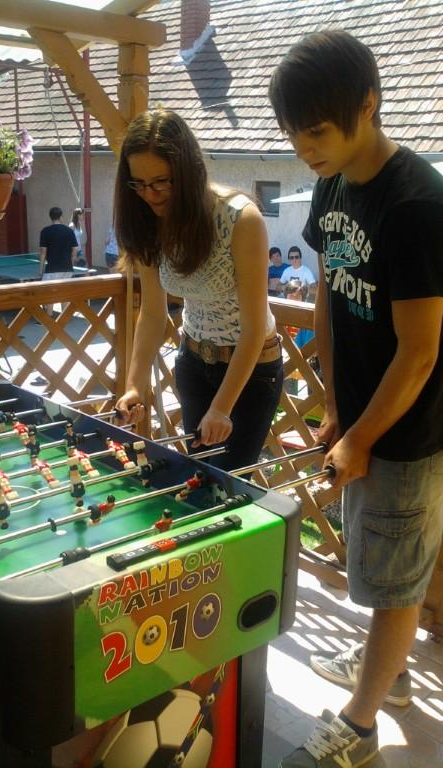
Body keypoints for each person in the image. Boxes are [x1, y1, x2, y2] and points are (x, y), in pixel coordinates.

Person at [269, 29, 443, 768]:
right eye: (293, 133)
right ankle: (390, 674)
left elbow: (421, 351)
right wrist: (336, 406)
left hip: (408, 431)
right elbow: (329, 298)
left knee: (396, 582)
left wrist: (364, 436)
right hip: (362, 417)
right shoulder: (334, 181)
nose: (303, 149)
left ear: (367, 105)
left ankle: (362, 725)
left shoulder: (417, 203)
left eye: (315, 131)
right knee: (376, 559)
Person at [113, 108, 283, 472]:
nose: (149, 195)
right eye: (138, 183)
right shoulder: (146, 218)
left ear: (188, 172)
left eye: (161, 182)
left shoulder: (240, 218)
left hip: (250, 369)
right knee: (198, 477)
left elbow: (253, 328)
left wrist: (222, 407)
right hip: (192, 360)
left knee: (229, 484)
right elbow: (153, 312)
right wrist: (134, 386)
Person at [39, 206, 79, 315]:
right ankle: (63, 318)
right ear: (61, 216)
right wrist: (72, 262)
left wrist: (41, 270)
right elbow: (75, 249)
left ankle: (49, 316)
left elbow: (43, 252)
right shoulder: (69, 231)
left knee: (49, 295)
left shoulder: (45, 231)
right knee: (64, 294)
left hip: (51, 268)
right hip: (67, 268)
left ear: (50, 217)